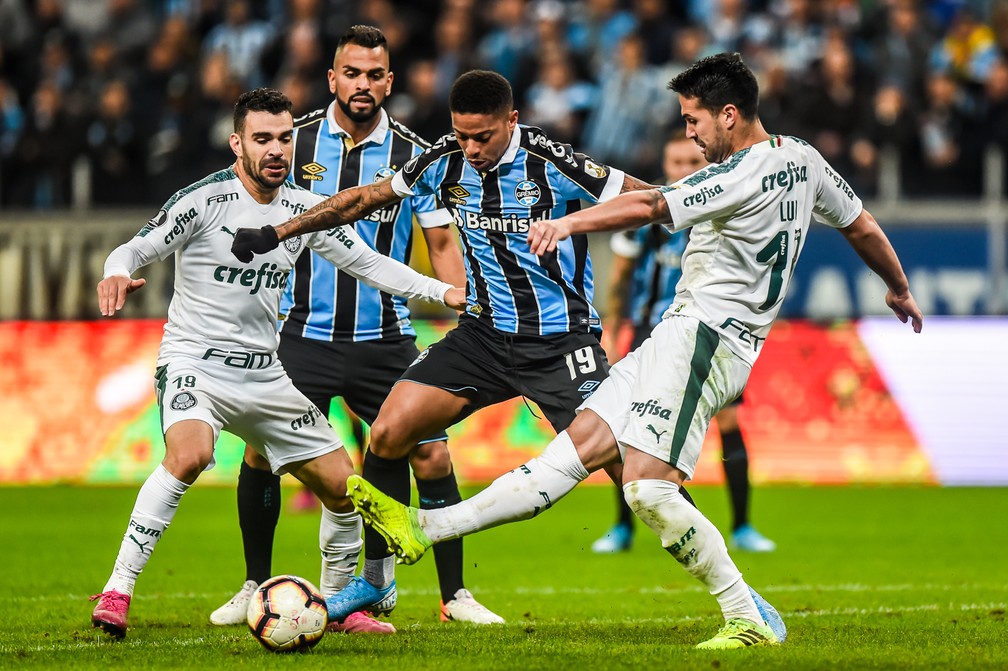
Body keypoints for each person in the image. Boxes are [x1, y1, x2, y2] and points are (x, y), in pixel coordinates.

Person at [343, 53, 924, 650]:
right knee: (573, 452)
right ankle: (423, 528)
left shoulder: (734, 176)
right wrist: (898, 288)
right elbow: (861, 225)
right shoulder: (804, 159)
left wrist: (565, 226)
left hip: (711, 340)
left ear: (730, 114)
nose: (690, 134)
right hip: (675, 333)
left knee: (647, 488)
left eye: (694, 121)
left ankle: (747, 613)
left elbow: (651, 206)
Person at [230, 69, 690, 623]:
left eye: (483, 137)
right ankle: (375, 580)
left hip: (560, 342)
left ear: (511, 121)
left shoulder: (552, 161)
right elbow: (363, 199)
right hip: (483, 337)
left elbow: (652, 201)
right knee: (391, 430)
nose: (470, 149)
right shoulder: (442, 160)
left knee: (637, 476)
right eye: (461, 135)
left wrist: (576, 222)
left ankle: (737, 594)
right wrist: (279, 232)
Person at [89, 87, 464, 639]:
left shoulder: (300, 212)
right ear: (236, 142)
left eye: (285, 138)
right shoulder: (202, 201)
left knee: (344, 487)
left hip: (265, 373)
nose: (276, 150)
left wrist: (442, 291)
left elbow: (368, 263)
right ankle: (118, 590)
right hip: (198, 363)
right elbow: (136, 247)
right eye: (262, 138)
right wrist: (116, 270)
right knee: (190, 455)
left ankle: (338, 606)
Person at [209, 25, 502, 632]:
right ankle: (252, 585)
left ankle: (452, 596)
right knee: (264, 455)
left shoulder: (417, 155)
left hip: (386, 338)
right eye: (352, 73)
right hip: (300, 334)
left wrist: (465, 307)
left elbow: (441, 238)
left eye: (375, 74)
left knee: (431, 454)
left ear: (390, 81)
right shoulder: (294, 141)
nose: (363, 84)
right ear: (332, 78)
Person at [592, 132, 775, 554]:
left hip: (709, 331)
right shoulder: (650, 215)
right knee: (630, 426)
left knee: (727, 424)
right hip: (650, 331)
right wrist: (615, 333)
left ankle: (743, 526)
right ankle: (622, 528)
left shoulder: (727, 208)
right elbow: (620, 279)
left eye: (692, 162)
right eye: (676, 163)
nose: (684, 171)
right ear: (665, 164)